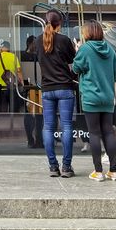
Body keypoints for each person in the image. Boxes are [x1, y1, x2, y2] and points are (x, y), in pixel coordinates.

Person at [71, 20, 116, 182]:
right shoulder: (111, 50)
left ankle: (98, 171)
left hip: (91, 98)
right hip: (107, 97)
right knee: (108, 131)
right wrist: (112, 96)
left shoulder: (85, 49)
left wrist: (77, 51)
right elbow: (115, 74)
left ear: (88, 33)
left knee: (94, 133)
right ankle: (113, 171)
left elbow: (75, 69)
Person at [35, 9, 76, 177]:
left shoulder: (38, 41)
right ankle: (66, 167)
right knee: (66, 126)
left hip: (47, 90)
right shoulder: (64, 40)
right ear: (60, 23)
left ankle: (53, 166)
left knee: (48, 128)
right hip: (65, 88)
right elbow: (73, 59)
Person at [0, 41, 23, 144]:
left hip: (1, 88)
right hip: (12, 88)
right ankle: (11, 129)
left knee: (1, 111)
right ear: (9, 48)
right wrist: (21, 83)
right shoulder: (14, 57)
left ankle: (1, 132)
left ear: (1, 47)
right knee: (12, 110)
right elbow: (19, 71)